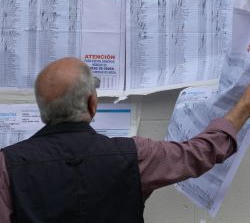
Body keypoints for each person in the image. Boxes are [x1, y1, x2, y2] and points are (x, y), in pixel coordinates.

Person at [0, 57, 250, 223]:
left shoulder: (6, 165)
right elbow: (199, 153)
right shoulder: (135, 155)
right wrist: (243, 106)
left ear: (42, 110)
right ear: (92, 104)